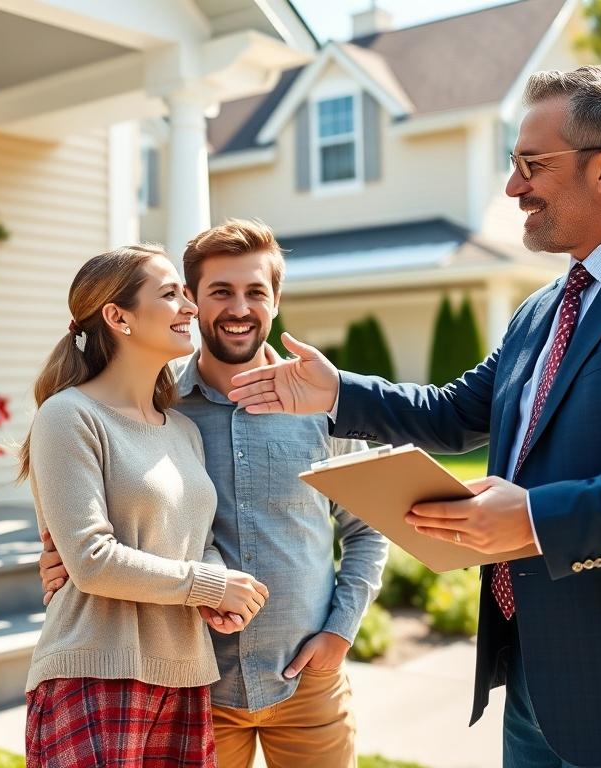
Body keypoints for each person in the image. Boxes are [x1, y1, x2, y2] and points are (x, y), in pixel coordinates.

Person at [228, 65, 601, 768]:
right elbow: (460, 412)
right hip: (532, 680)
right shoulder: (540, 310)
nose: (513, 187)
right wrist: (337, 392)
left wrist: (535, 519)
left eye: (531, 164)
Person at [39, 221, 389, 768]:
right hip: (195, 681)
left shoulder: (323, 404)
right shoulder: (162, 408)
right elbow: (100, 526)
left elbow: (367, 527)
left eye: (256, 292)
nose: (239, 308)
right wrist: (64, 559)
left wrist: (340, 634)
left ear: (275, 301)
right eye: (219, 292)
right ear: (195, 302)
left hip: (306, 679)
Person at [20, 244, 269, 768]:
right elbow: (91, 560)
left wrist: (215, 594)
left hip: (184, 675)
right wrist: (209, 584)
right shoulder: (70, 416)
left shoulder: (181, 429)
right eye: (170, 294)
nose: (190, 307)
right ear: (117, 317)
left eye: (186, 293)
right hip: (95, 674)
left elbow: (198, 542)